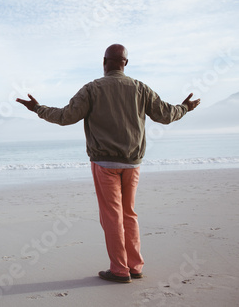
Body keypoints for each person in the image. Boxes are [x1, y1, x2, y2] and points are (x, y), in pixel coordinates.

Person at [16, 44, 200, 283]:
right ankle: (135, 266)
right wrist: (184, 108)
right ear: (125, 63)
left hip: (104, 163)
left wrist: (37, 108)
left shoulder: (92, 89)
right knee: (129, 214)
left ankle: (120, 270)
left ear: (104, 62)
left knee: (112, 216)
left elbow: (64, 117)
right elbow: (165, 114)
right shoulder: (140, 88)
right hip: (132, 163)